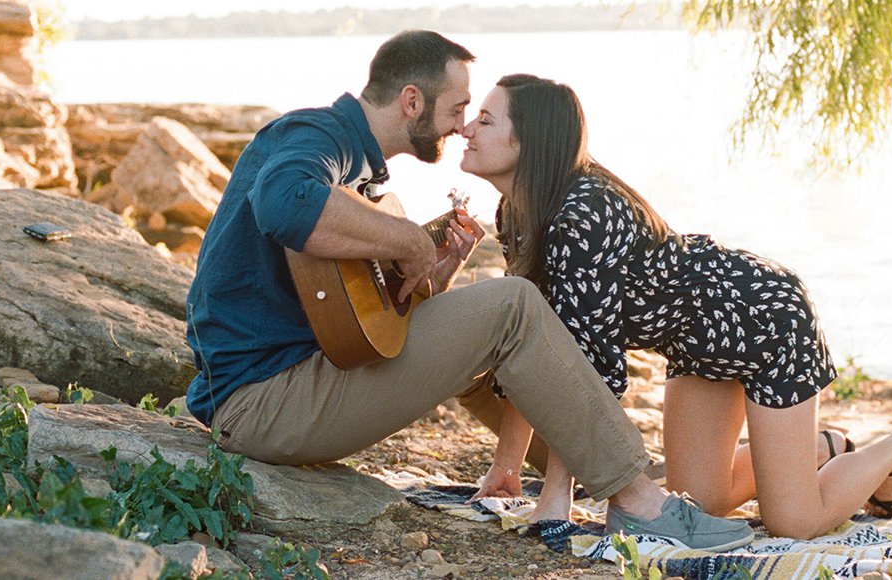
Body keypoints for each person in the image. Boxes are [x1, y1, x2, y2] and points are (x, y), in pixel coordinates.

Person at [183, 31, 753, 552]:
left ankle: (606, 471)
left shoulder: (360, 169)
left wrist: (437, 270)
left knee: (496, 325)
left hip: (302, 383)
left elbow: (363, 319)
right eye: (458, 109)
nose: (461, 126)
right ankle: (639, 503)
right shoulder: (314, 137)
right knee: (513, 304)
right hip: (263, 403)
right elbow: (283, 202)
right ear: (411, 102)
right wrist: (408, 240)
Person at [455, 74, 892, 540]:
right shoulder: (517, 213)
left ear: (530, 143)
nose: (467, 128)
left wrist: (557, 495)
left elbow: (586, 370)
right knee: (696, 500)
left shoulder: (584, 214)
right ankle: (817, 449)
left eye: (486, 120)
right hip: (696, 342)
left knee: (793, 522)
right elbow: (534, 349)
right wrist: (506, 467)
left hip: (764, 319)